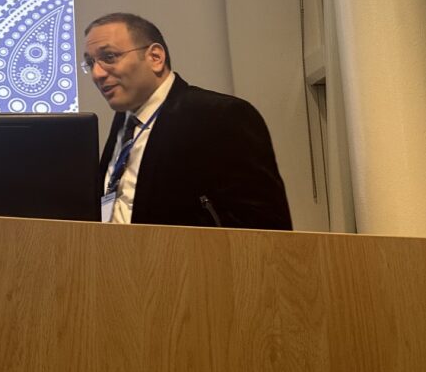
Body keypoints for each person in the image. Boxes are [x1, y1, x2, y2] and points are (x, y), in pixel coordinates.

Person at [82, 12, 292, 230]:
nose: (97, 74)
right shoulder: (124, 121)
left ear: (155, 57)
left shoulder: (222, 116)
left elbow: (265, 228)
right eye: (90, 63)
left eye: (109, 57)